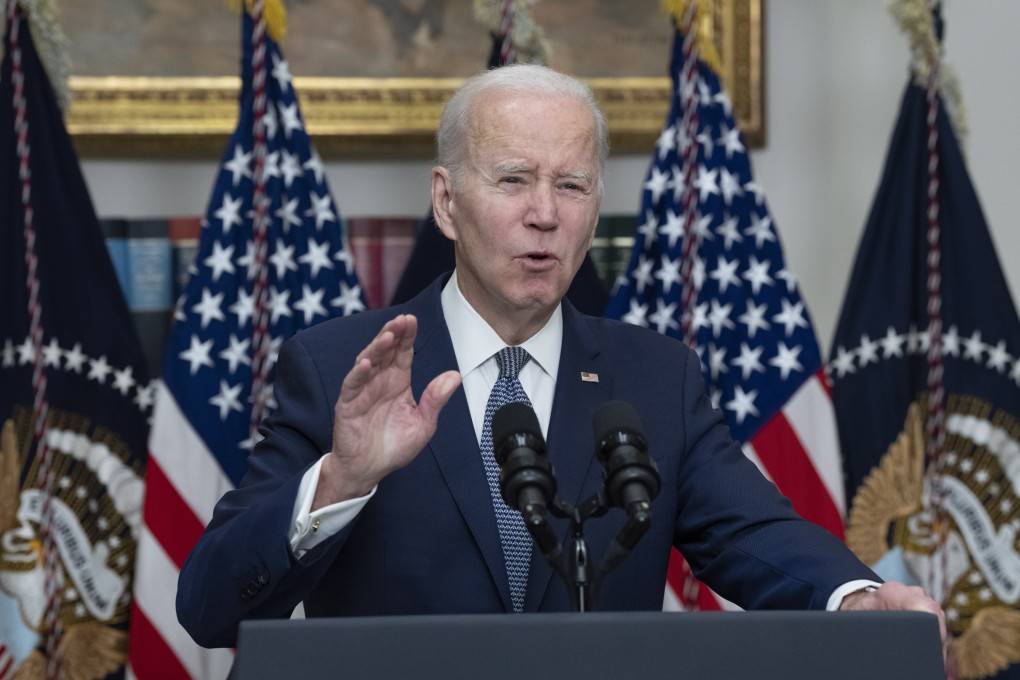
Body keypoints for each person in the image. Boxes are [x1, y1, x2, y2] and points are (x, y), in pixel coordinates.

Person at [176, 64, 946, 652]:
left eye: (571, 185)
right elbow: (212, 610)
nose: (544, 214)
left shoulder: (655, 379)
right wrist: (341, 481)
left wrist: (855, 597)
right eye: (513, 180)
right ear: (447, 201)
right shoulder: (340, 366)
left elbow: (751, 534)